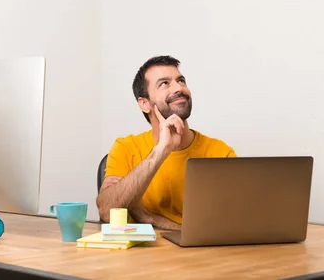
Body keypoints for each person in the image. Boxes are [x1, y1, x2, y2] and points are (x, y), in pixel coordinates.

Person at [96, 55, 236, 230]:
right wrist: (161, 150)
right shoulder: (126, 148)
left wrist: (152, 219)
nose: (179, 88)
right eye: (164, 83)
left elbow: (226, 229)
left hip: (200, 256)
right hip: (139, 256)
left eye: (181, 81)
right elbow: (107, 211)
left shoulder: (221, 153)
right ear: (144, 104)